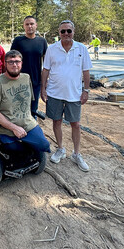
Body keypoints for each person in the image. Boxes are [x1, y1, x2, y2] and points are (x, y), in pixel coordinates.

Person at [41, 20, 92, 172]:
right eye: (63, 31)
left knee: (75, 124)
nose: (66, 34)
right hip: (54, 92)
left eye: (69, 31)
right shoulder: (52, 49)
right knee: (56, 121)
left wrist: (86, 90)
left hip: (74, 94)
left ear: (73, 32)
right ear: (59, 33)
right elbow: (46, 70)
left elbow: (86, 71)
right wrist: (43, 89)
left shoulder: (81, 48)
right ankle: (61, 149)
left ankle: (76, 154)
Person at [0, 50, 50, 153]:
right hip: (4, 128)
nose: (14, 65)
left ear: (21, 63)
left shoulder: (26, 78)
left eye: (17, 61)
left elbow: (28, 102)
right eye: (10, 62)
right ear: (5, 64)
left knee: (44, 146)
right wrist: (14, 127)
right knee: (15, 151)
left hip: (27, 124)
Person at [11, 16, 48, 113]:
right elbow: (11, 60)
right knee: (19, 109)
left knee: (33, 110)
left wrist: (45, 81)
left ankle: (31, 128)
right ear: (24, 26)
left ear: (36, 25)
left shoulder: (42, 41)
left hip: (36, 81)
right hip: (20, 81)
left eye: (32, 24)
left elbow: (46, 63)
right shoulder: (18, 41)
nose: (29, 26)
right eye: (27, 24)